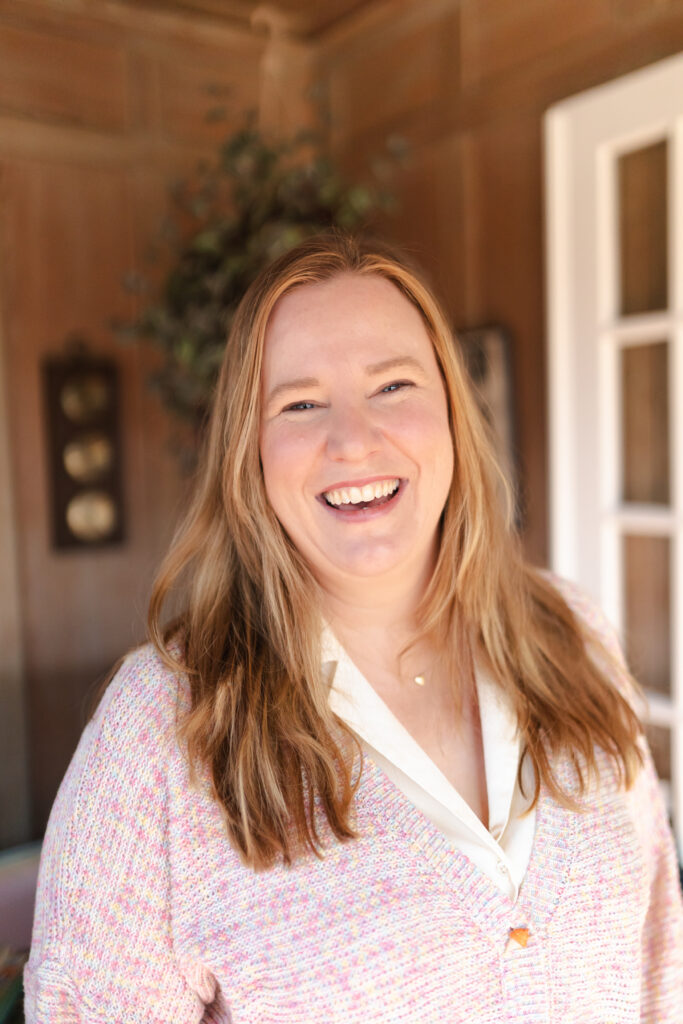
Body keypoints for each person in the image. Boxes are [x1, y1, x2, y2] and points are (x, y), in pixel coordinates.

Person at [25, 232, 683, 1022]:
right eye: (299, 403)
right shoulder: (159, 728)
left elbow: (659, 960)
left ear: (450, 411)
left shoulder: (571, 633)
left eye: (392, 385)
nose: (352, 439)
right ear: (249, 450)